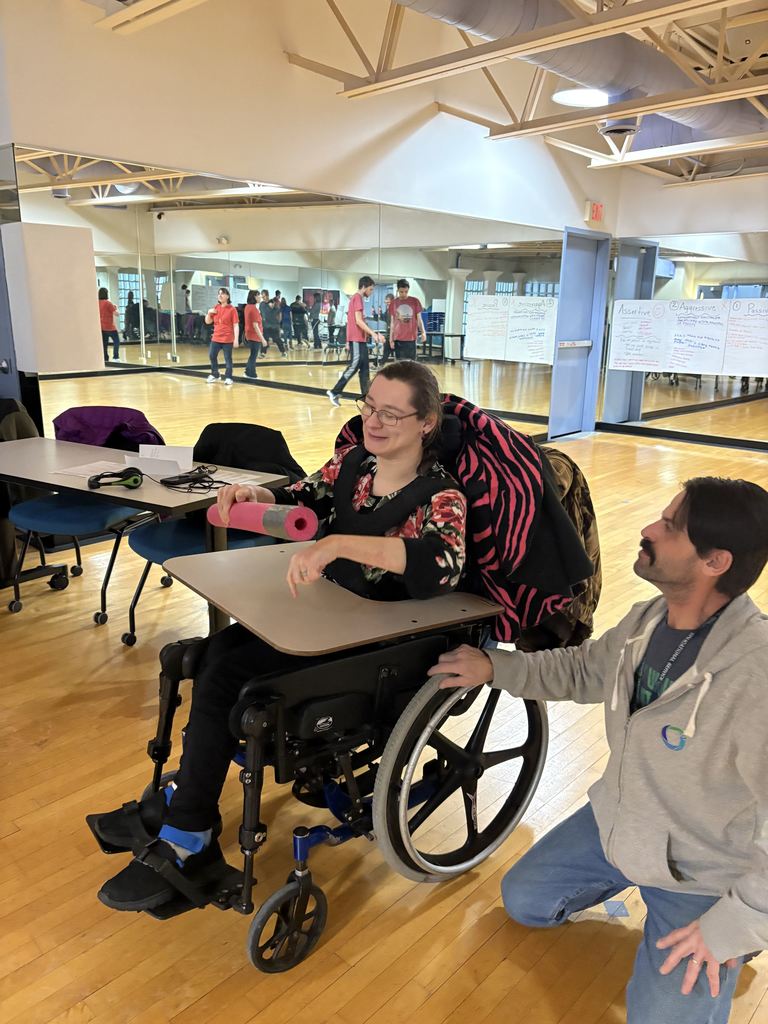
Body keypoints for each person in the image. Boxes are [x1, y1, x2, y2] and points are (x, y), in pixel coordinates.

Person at [94, 360, 468, 912]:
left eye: (392, 413)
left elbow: (442, 565)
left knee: (232, 678)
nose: (375, 421)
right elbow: (306, 497)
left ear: (427, 423)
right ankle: (189, 800)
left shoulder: (441, 498)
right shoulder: (353, 466)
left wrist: (340, 546)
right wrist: (252, 496)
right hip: (330, 617)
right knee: (211, 654)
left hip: (382, 641)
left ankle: (191, 831)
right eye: (369, 406)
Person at [429, 477, 768, 1024]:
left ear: (715, 561)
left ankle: (743, 938)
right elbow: (583, 670)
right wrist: (498, 667)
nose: (647, 530)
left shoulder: (757, 678)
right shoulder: (646, 621)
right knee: (524, 902)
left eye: (670, 526)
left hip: (702, 871)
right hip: (620, 820)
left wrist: (733, 924)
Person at [327, 276, 385, 407]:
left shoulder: (355, 299)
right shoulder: (357, 298)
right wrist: (373, 334)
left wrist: (348, 340)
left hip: (359, 340)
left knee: (364, 369)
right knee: (354, 366)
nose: (371, 292)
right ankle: (334, 391)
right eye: (370, 289)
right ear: (364, 287)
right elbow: (358, 321)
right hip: (357, 340)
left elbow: (351, 321)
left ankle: (367, 398)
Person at [205, 287, 239, 384]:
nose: (220, 295)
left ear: (227, 296)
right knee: (212, 355)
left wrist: (236, 339)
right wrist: (208, 313)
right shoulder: (216, 308)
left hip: (227, 339)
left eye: (222, 293)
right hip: (216, 338)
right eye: (219, 293)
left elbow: (236, 325)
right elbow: (208, 322)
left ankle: (229, 377)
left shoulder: (232, 309)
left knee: (228, 359)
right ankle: (215, 374)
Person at [389, 279, 426, 362]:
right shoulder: (393, 303)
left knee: (411, 365)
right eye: (401, 292)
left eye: (406, 291)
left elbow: (419, 319)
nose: (404, 294)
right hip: (398, 338)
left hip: (411, 339)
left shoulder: (415, 301)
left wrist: (423, 332)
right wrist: (391, 339)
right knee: (399, 365)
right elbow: (392, 323)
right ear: (398, 290)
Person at [243, 290, 265, 378]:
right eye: (259, 295)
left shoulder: (248, 307)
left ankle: (248, 371)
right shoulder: (254, 309)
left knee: (252, 354)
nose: (261, 297)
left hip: (249, 334)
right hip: (254, 336)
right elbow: (255, 326)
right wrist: (262, 339)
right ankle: (252, 374)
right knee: (253, 355)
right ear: (254, 297)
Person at [98, 287, 120, 363]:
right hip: (110, 327)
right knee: (116, 341)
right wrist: (116, 308)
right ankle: (115, 357)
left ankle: (105, 358)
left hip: (102, 327)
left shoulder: (97, 303)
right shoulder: (108, 303)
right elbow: (116, 314)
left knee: (104, 344)